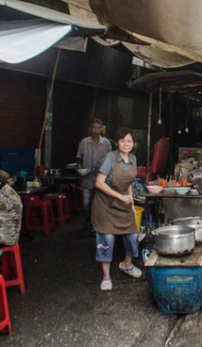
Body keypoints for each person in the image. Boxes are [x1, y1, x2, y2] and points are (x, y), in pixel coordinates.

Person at [93, 127, 142, 291]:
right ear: (117, 143)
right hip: (105, 205)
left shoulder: (133, 159)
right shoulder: (111, 157)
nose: (126, 144)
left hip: (123, 204)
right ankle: (106, 276)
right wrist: (120, 197)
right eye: (122, 141)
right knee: (107, 239)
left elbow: (128, 184)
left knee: (133, 235)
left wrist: (132, 205)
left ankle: (127, 265)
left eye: (129, 141)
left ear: (133, 144)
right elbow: (98, 183)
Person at [77, 118, 112, 232]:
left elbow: (111, 160)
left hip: (102, 180)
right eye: (93, 128)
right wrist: (79, 166)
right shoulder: (84, 142)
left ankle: (98, 226)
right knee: (86, 203)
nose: (95, 130)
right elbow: (79, 158)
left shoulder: (106, 143)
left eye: (98, 128)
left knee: (100, 204)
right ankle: (88, 222)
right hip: (87, 178)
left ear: (101, 129)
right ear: (90, 129)